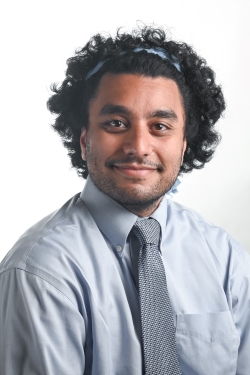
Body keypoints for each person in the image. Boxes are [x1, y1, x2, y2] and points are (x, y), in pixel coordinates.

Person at [0, 25, 249, 375]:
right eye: (116, 123)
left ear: (184, 145)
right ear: (84, 140)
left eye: (160, 126)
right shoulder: (41, 271)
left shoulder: (226, 259)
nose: (139, 146)